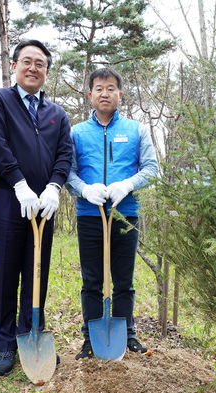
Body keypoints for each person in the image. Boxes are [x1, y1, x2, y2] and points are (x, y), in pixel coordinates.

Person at [0, 39, 73, 375]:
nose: (33, 68)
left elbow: (64, 154)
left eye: (40, 64)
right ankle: (5, 342)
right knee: (5, 270)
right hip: (7, 197)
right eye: (27, 61)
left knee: (37, 269)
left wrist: (53, 186)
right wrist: (19, 183)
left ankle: (30, 332)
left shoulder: (56, 114)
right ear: (15, 65)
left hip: (43, 203)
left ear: (47, 71)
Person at [66, 67, 159, 360]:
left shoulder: (136, 130)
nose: (104, 93)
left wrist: (127, 185)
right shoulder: (77, 132)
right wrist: (83, 190)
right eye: (98, 88)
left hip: (125, 214)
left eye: (110, 88)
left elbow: (151, 169)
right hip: (89, 216)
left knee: (124, 280)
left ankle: (127, 334)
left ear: (119, 94)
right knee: (92, 281)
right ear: (90, 94)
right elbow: (67, 172)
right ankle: (90, 339)